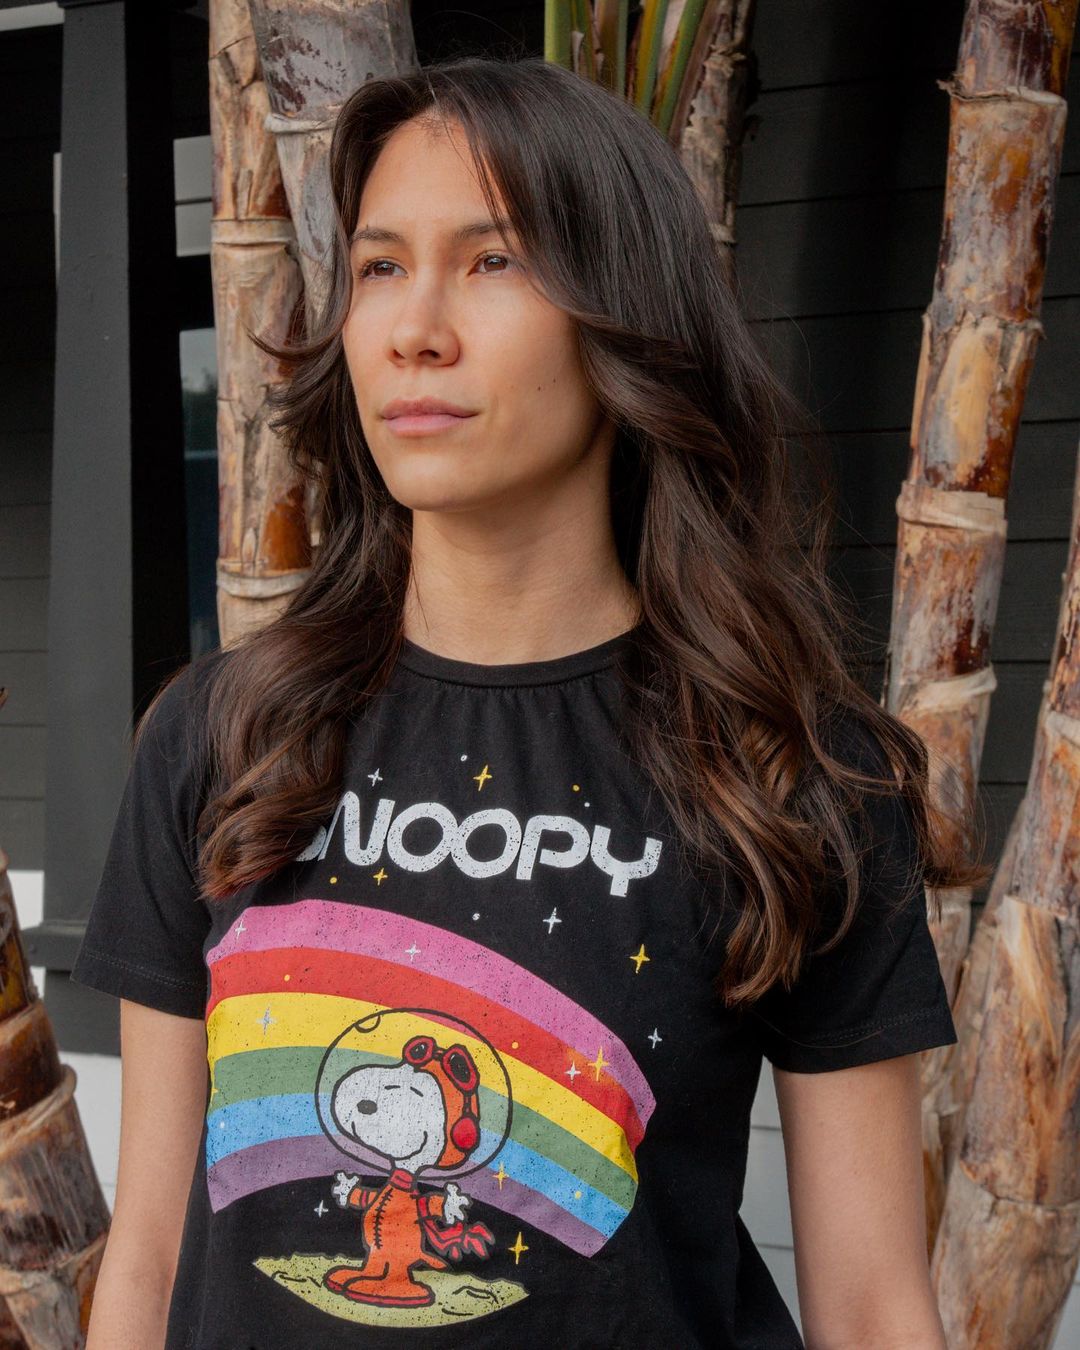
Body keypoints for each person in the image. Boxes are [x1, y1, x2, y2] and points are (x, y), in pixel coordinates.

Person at [72, 54, 987, 1350]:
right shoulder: (223, 736)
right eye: (381, 266)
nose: (414, 327)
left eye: (492, 261)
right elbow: (153, 1254)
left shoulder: (788, 771)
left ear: (625, 314)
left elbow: (875, 1305)